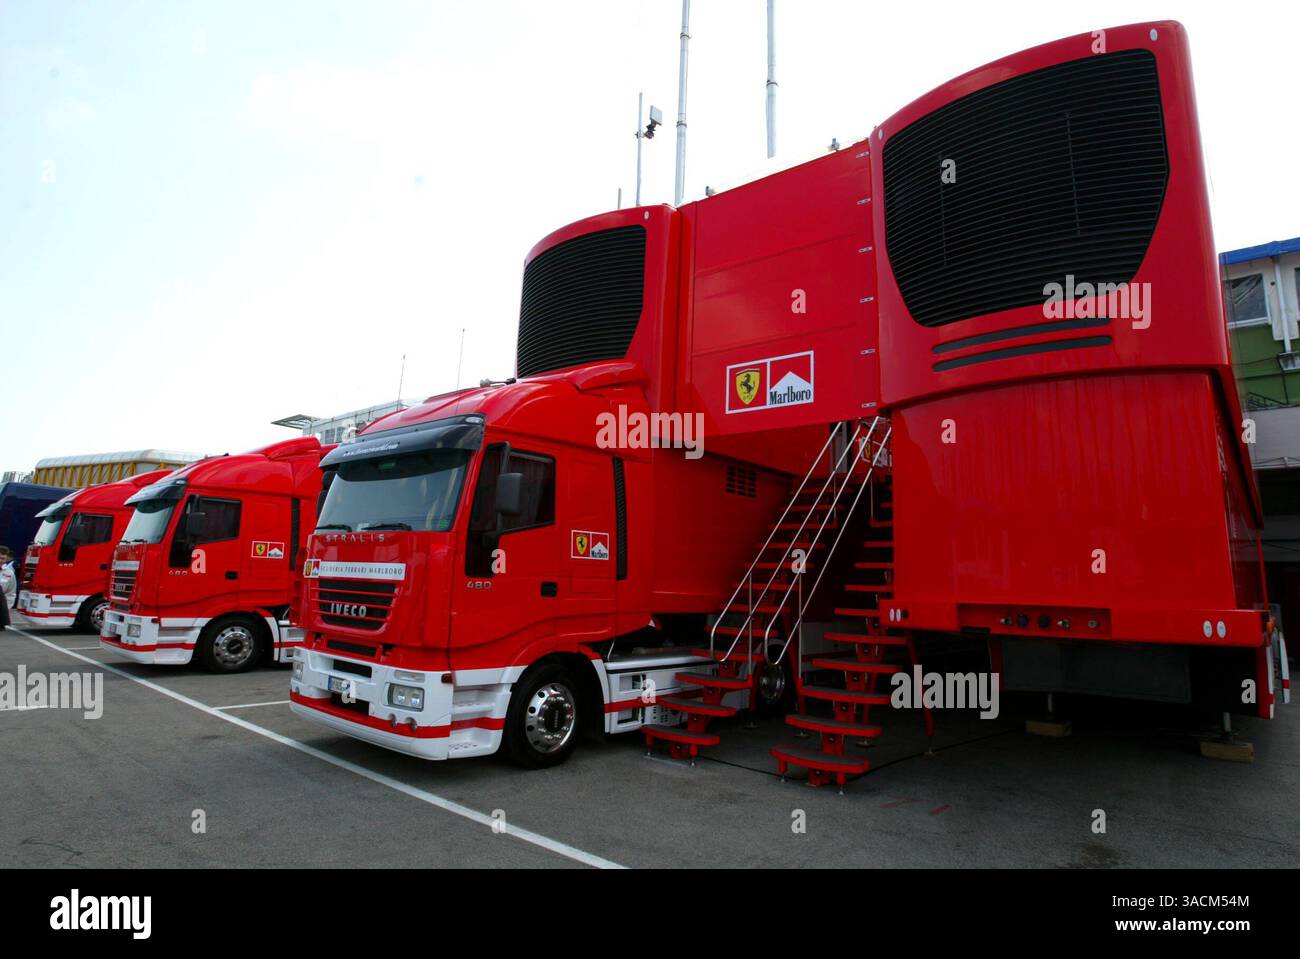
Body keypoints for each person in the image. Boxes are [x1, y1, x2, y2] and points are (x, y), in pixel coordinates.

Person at [0, 546, 15, 629]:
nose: (0, 561)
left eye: (3, 559)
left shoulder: (9, 573)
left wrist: (6, 608)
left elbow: (11, 593)